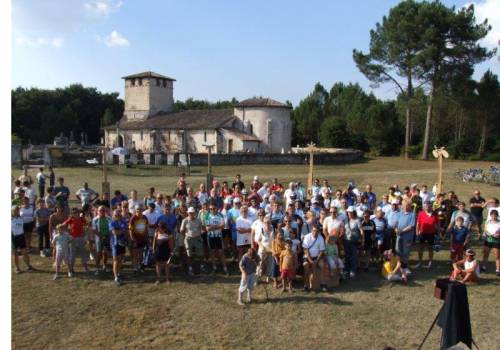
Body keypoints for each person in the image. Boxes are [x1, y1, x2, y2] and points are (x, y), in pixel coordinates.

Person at [180, 207, 206, 275]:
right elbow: (181, 230)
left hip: (197, 238)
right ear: (188, 213)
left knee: (201, 254)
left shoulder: (198, 220)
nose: (191, 214)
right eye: (190, 213)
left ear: (194, 213)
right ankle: (190, 268)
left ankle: (202, 267)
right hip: (188, 239)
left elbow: (203, 228)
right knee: (189, 254)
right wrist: (186, 235)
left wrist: (201, 232)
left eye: (192, 213)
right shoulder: (185, 220)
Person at [64, 207, 89, 276]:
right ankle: (70, 270)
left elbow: (88, 224)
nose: (76, 214)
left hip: (80, 238)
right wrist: (68, 233)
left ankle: (86, 267)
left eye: (77, 212)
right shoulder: (70, 219)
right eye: (74, 213)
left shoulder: (81, 219)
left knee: (83, 253)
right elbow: (63, 225)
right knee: (72, 255)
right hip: (72, 239)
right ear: (72, 214)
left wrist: (85, 232)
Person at [206, 203, 229, 276]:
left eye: (213, 208)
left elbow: (223, 226)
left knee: (221, 252)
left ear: (217, 208)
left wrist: (213, 227)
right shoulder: (207, 215)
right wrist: (217, 226)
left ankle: (225, 268)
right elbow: (207, 228)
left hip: (219, 236)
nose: (212, 210)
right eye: (210, 209)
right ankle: (214, 268)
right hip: (211, 237)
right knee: (212, 252)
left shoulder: (220, 215)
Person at [302, 224, 327, 292]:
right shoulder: (307, 237)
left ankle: (322, 284)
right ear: (311, 230)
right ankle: (305, 285)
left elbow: (321, 251)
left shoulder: (321, 238)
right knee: (305, 266)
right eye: (314, 231)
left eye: (316, 231)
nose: (315, 232)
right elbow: (305, 250)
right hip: (307, 257)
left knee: (322, 265)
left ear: (319, 231)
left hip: (317, 257)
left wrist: (316, 260)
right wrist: (310, 260)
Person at [415, 201, 440, 268]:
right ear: (424, 207)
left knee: (430, 248)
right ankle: (420, 262)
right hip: (422, 233)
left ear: (431, 206)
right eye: (426, 206)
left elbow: (437, 224)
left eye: (429, 206)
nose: (427, 208)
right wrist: (417, 233)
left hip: (431, 234)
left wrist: (438, 233)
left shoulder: (435, 214)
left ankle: (430, 263)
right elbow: (418, 224)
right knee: (420, 248)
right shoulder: (421, 213)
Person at [394, 201, 416, 272]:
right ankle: (399, 266)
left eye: (407, 205)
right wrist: (396, 229)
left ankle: (405, 267)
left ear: (410, 206)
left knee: (405, 252)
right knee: (398, 251)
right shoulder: (400, 213)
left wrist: (402, 231)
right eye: (404, 205)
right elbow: (396, 223)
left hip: (407, 237)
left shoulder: (412, 214)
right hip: (399, 236)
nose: (405, 207)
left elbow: (411, 226)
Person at [12, 206, 33, 273]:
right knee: (15, 253)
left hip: (21, 237)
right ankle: (17, 268)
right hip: (13, 238)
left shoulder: (21, 218)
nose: (17, 211)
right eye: (15, 210)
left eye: (18, 210)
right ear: (12, 211)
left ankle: (28, 266)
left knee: (25, 252)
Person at [91, 205, 112, 274]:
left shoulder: (109, 218)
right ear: (98, 211)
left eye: (103, 210)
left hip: (107, 237)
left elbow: (111, 229)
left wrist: (107, 236)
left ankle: (104, 266)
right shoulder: (95, 219)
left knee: (105, 253)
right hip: (99, 239)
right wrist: (101, 236)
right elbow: (94, 230)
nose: (102, 212)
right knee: (99, 254)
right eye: (100, 210)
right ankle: (97, 268)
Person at [110, 209, 128, 285]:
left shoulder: (123, 221)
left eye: (119, 215)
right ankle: (115, 277)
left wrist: (120, 231)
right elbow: (115, 232)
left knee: (120, 259)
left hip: (122, 243)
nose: (118, 216)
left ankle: (119, 273)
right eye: (116, 215)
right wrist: (122, 231)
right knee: (116, 260)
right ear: (113, 215)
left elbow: (126, 231)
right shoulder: (112, 223)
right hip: (115, 244)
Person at [129, 204, 149, 273]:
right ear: (135, 210)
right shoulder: (133, 218)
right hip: (135, 239)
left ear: (142, 210)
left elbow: (146, 229)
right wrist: (133, 239)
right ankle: (135, 268)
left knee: (140, 254)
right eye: (137, 210)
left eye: (140, 209)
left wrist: (147, 238)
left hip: (142, 238)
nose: (139, 211)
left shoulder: (145, 218)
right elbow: (130, 230)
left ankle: (139, 266)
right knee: (135, 255)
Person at [343, 206, 362, 278]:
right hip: (346, 240)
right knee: (347, 255)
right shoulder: (345, 220)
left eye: (350, 212)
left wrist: (362, 239)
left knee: (354, 255)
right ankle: (347, 269)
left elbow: (361, 230)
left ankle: (353, 270)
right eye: (348, 212)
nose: (349, 213)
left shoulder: (357, 220)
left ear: (354, 212)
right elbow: (343, 229)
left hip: (354, 241)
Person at [481, 209, 500, 275]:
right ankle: (483, 267)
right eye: (492, 215)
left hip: (497, 241)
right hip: (488, 240)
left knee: (497, 256)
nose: (493, 217)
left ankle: (498, 270)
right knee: (486, 254)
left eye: (495, 215)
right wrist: (490, 235)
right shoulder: (487, 222)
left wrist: (498, 235)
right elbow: (485, 231)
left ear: (497, 216)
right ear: (490, 216)